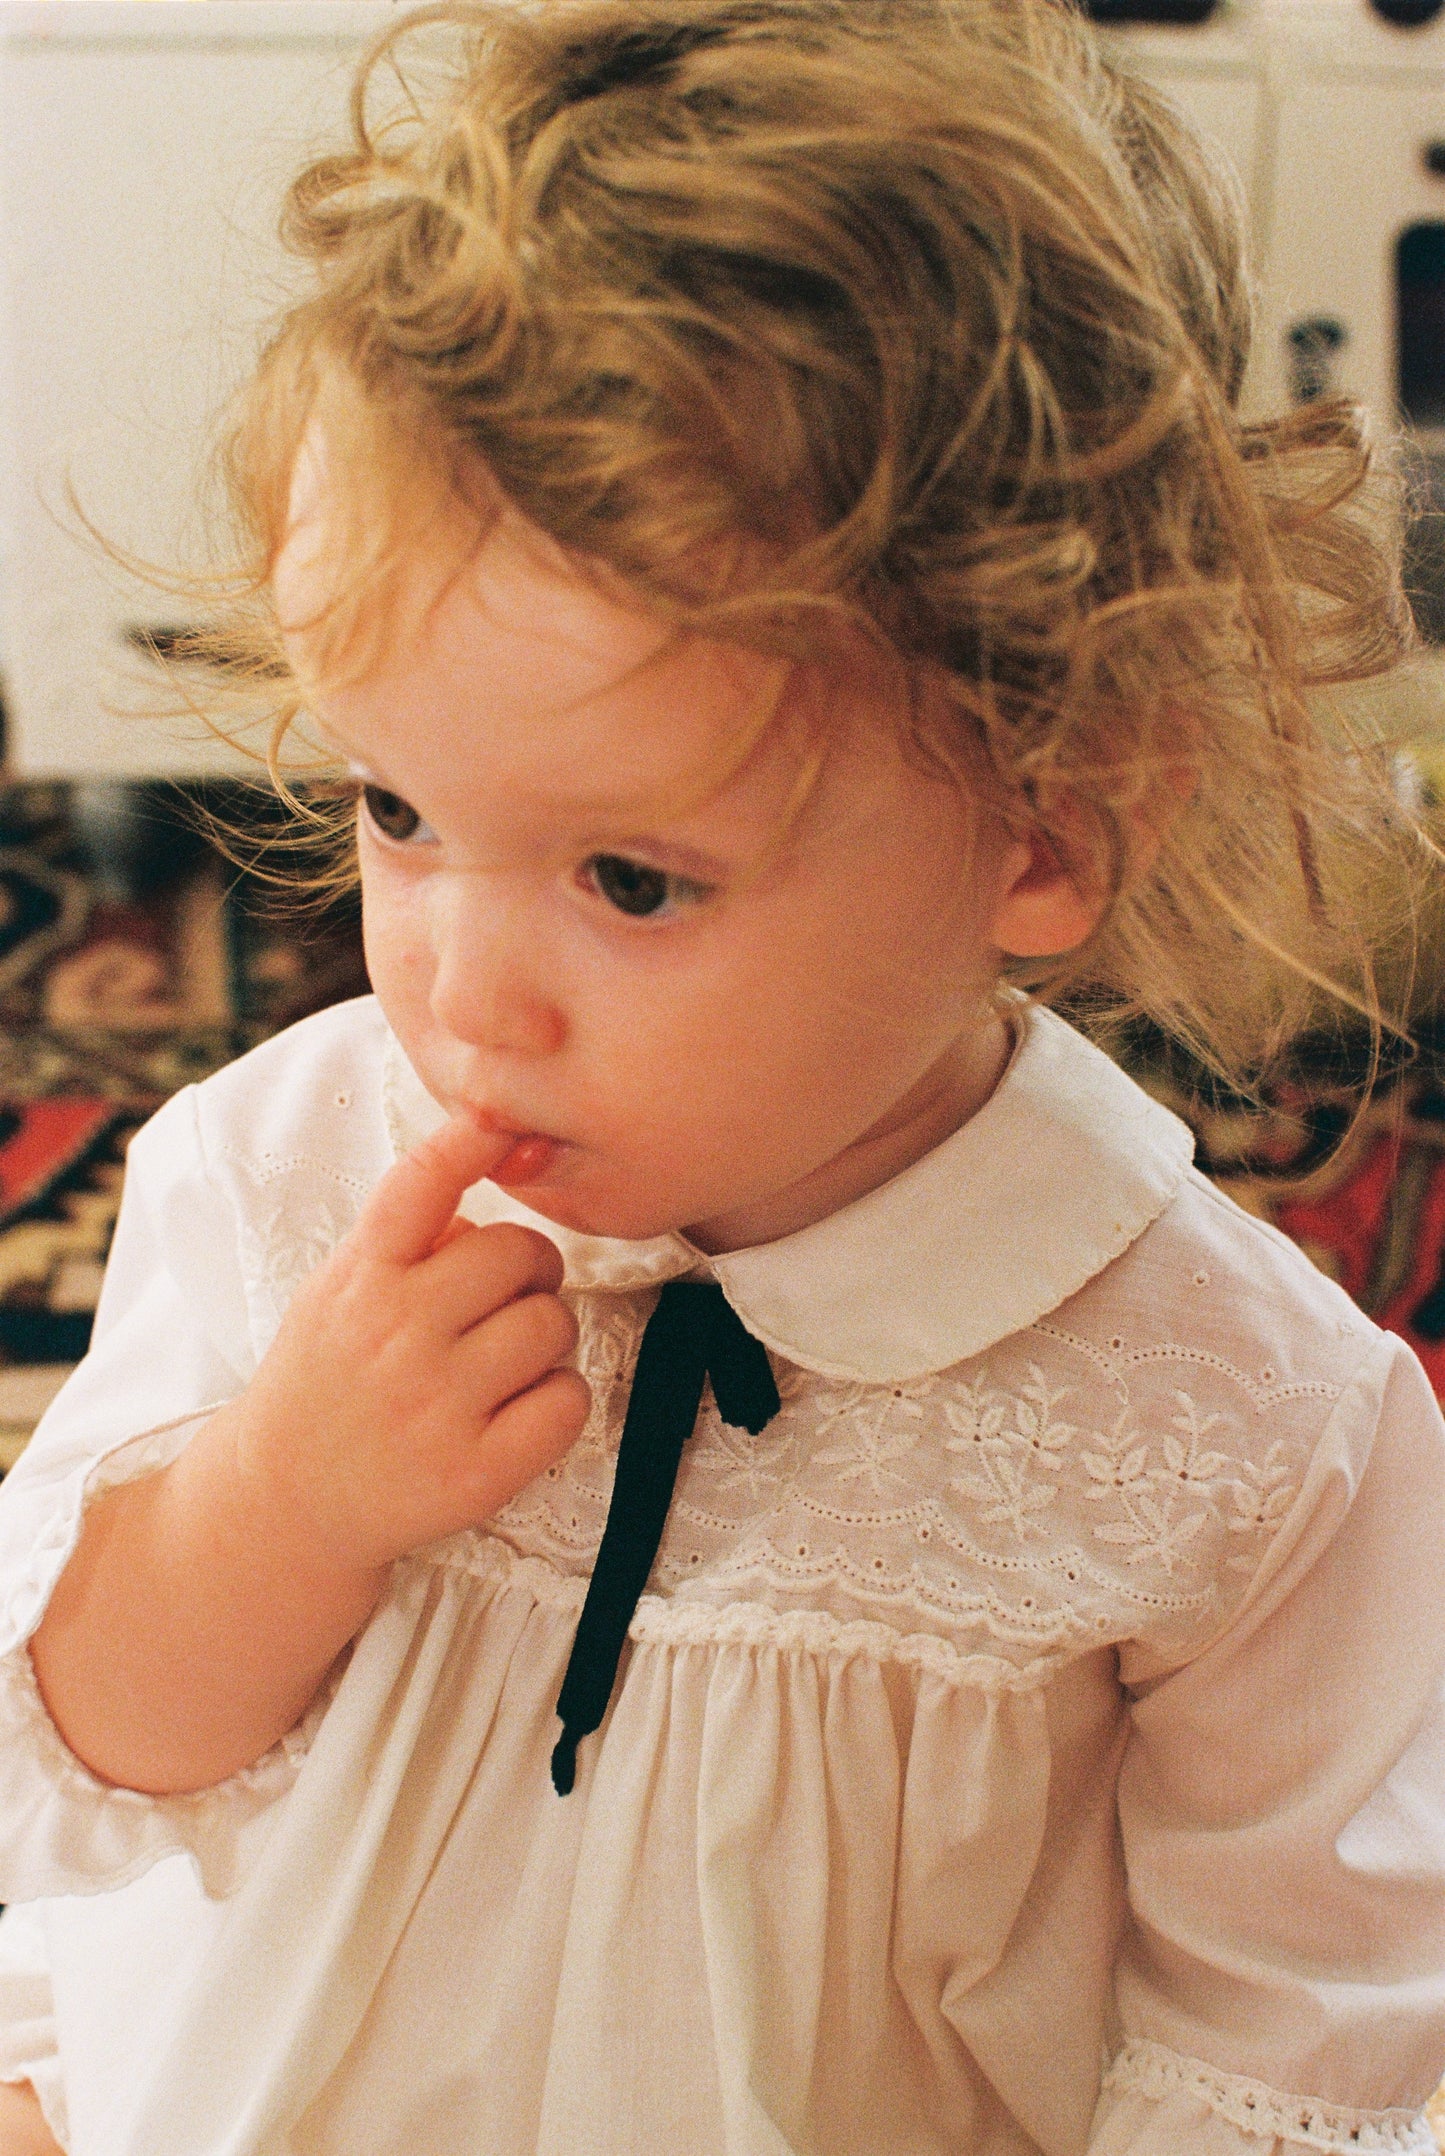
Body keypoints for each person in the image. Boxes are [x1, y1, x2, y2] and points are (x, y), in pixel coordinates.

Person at [1, 0, 1443, 2148]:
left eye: (631, 878)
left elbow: (1292, 2037)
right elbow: (101, 1738)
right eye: (401, 812)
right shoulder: (277, 1180)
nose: (463, 999)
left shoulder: (1245, 1431)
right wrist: (280, 1500)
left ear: (1042, 822)